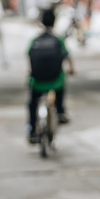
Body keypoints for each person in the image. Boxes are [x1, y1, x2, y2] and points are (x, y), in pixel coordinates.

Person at [27, 9, 74, 143]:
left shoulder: (35, 40)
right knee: (61, 84)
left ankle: (31, 130)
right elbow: (67, 56)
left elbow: (29, 56)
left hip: (37, 82)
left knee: (32, 103)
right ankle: (60, 111)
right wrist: (71, 69)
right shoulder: (58, 39)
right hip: (55, 81)